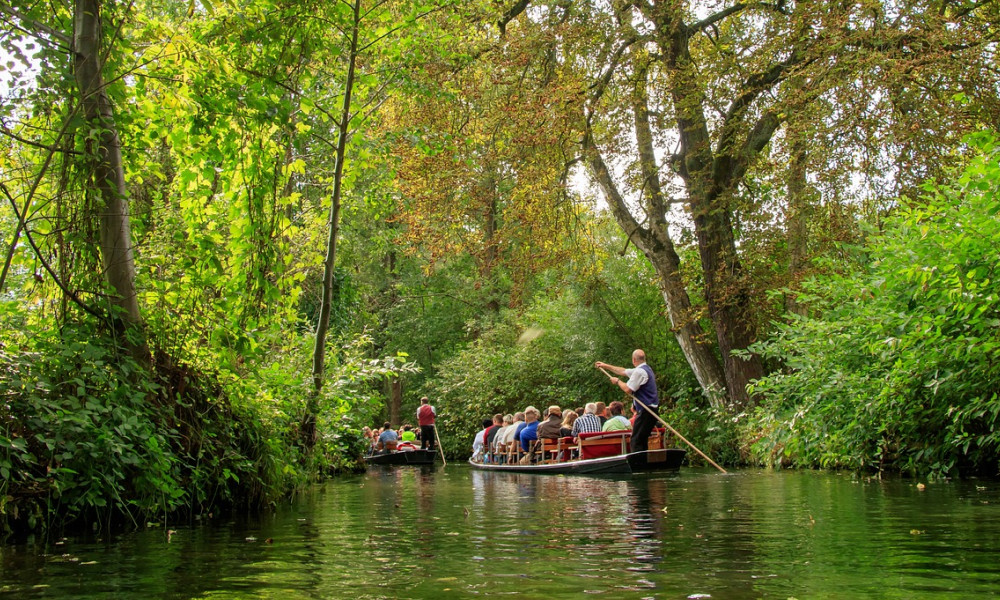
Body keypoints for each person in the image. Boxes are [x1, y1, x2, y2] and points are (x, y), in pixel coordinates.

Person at [596, 349, 660, 452]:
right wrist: (605, 366)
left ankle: (638, 464)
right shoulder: (646, 369)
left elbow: (628, 389)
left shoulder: (639, 372)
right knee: (642, 438)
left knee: (636, 440)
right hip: (651, 409)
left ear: (634, 359)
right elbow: (622, 371)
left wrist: (618, 381)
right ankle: (644, 461)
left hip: (646, 410)